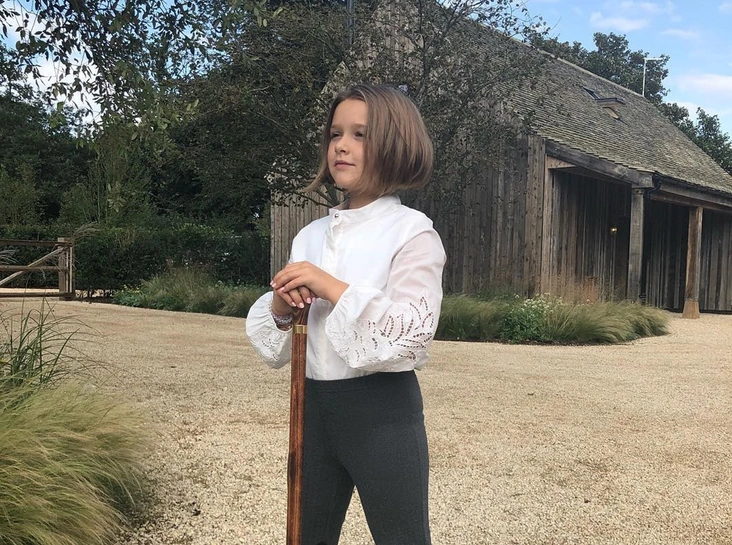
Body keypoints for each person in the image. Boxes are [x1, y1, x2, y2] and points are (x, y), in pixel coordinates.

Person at [246, 83, 446, 545]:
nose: (341, 145)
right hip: (312, 409)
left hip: (384, 415)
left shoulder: (412, 233)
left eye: (360, 134)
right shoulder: (310, 236)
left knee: (402, 539)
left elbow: (412, 333)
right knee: (306, 536)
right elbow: (281, 343)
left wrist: (331, 287)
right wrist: (282, 306)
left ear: (396, 145)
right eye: (336, 133)